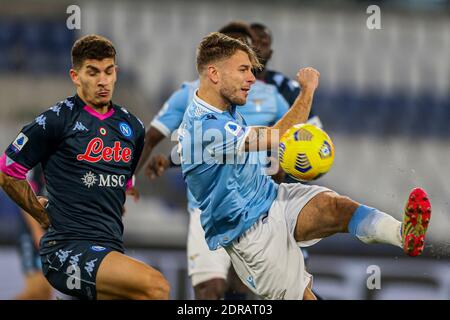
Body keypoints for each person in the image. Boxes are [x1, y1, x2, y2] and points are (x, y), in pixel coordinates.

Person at [178, 32, 432, 300]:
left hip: (271, 198)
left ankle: (403, 235)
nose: (252, 78)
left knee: (336, 207)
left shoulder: (221, 109)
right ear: (214, 74)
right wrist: (307, 91)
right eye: (243, 70)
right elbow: (277, 136)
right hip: (248, 232)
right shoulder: (204, 128)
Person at [0, 34, 169, 300]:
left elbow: (120, 183)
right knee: (156, 286)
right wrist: (39, 215)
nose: (103, 80)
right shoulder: (55, 120)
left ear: (116, 73)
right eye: (92, 72)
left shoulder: (133, 127)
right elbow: (8, 170)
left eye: (108, 71)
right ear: (75, 76)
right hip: (66, 249)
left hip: (109, 249)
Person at [136, 21, 289, 299]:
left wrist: (280, 169)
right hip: (208, 208)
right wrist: (133, 177)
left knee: (243, 287)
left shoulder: (270, 97)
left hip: (256, 206)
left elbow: (287, 140)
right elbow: (159, 138)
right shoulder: (189, 94)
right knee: (211, 288)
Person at [13, 165, 53, 300]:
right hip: (31, 232)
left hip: (51, 233)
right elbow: (25, 200)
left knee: (44, 293)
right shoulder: (35, 163)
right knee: (37, 290)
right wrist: (37, 232)